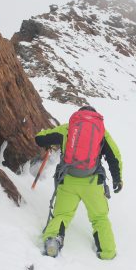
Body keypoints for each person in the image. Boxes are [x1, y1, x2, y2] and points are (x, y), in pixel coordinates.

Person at [35, 105, 123, 260]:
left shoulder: (68, 129)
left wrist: (46, 138)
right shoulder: (101, 132)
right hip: (92, 183)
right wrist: (117, 179)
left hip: (68, 180)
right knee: (99, 217)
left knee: (61, 215)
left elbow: (40, 139)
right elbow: (114, 157)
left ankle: (52, 241)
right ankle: (108, 252)